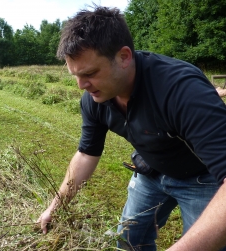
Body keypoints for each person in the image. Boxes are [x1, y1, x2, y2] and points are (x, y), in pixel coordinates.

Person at [36, 6, 226, 251]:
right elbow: (86, 154)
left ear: (124, 57)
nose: (81, 85)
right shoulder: (95, 98)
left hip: (202, 178)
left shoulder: (182, 91)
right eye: (75, 75)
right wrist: (55, 206)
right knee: (128, 240)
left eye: (90, 73)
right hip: (151, 171)